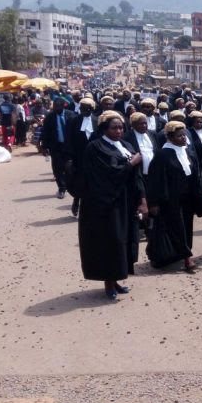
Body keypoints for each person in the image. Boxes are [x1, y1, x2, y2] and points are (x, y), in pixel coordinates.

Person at [79, 111, 147, 300]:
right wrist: (130, 164)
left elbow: (137, 176)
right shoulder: (96, 148)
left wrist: (142, 200)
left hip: (126, 201)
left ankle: (117, 279)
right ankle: (108, 282)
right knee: (110, 241)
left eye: (121, 128)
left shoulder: (125, 145)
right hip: (106, 204)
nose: (118, 131)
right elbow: (104, 176)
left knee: (124, 240)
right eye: (114, 128)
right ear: (104, 129)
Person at [147, 121, 202, 273]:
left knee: (186, 227)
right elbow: (155, 181)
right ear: (170, 137)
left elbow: (198, 174)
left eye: (184, 135)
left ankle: (180, 253)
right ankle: (187, 258)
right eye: (179, 136)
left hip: (188, 198)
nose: (183, 138)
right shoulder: (162, 155)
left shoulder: (188, 151)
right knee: (176, 228)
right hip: (170, 200)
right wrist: (153, 203)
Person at [64, 98, 99, 217]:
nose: (83, 110)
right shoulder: (74, 121)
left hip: (95, 158)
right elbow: (69, 140)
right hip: (79, 157)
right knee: (79, 181)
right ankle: (76, 202)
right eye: (81, 107)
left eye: (86, 108)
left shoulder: (98, 121)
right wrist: (69, 158)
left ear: (92, 108)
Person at [41, 98, 77, 199]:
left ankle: (71, 186)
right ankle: (61, 188)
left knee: (70, 167)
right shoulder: (49, 117)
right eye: (55, 106)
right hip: (56, 146)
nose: (56, 108)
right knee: (57, 168)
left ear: (63, 106)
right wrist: (44, 147)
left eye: (58, 106)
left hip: (69, 146)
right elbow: (45, 132)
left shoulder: (72, 115)